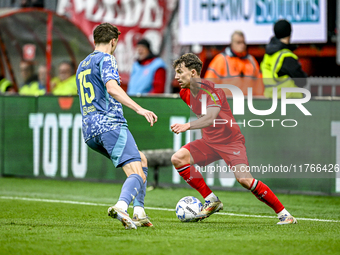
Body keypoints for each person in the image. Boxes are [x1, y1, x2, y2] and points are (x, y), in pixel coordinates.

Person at [171, 53, 297, 224]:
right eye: (176, 73)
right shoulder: (184, 93)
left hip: (230, 142)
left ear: (193, 73)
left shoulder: (213, 90)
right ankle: (211, 199)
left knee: (244, 179)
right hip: (209, 142)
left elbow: (210, 117)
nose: (176, 77)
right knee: (178, 159)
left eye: (180, 72)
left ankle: (285, 215)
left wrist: (188, 126)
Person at [76, 23, 157, 230]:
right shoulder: (107, 59)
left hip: (89, 131)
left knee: (141, 160)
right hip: (110, 125)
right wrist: (139, 109)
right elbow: (112, 88)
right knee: (137, 174)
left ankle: (138, 211)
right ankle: (121, 206)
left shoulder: (83, 64)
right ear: (114, 41)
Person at [204, 31, 263, 96]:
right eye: (238, 42)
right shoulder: (221, 59)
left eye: (243, 42)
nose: (242, 45)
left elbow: (259, 85)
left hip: (247, 102)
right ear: (232, 43)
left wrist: (259, 100)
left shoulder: (251, 61)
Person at [261, 19, 307, 98]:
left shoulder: (268, 55)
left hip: (270, 99)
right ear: (290, 34)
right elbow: (302, 80)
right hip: (289, 100)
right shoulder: (286, 57)